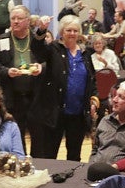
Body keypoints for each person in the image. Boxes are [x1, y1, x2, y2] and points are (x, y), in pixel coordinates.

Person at [0, 5, 61, 157]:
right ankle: (19, 165)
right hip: (12, 97)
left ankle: (37, 165)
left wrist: (41, 67)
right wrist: (7, 71)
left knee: (38, 136)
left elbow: (50, 61)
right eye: (13, 18)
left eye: (19, 19)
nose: (15, 22)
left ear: (28, 21)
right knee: (15, 136)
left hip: (36, 97)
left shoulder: (36, 39)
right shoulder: (3, 40)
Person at [36, 15, 96, 161]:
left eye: (75, 30)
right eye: (68, 30)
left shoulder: (85, 53)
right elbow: (37, 51)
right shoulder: (53, 49)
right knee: (50, 154)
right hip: (56, 112)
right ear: (62, 32)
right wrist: (41, 30)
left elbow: (92, 79)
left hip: (78, 113)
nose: (72, 33)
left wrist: (94, 99)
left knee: (74, 155)